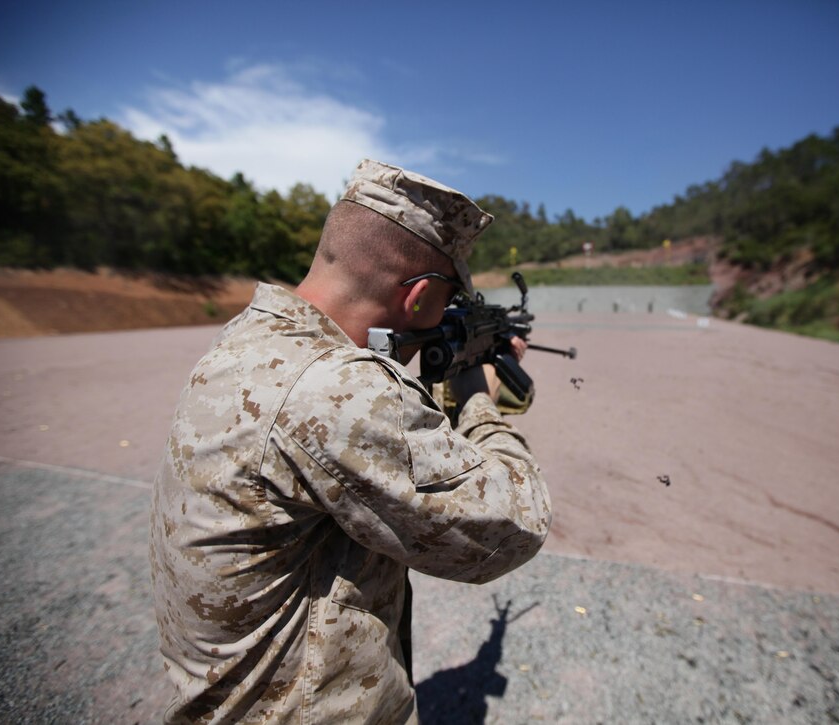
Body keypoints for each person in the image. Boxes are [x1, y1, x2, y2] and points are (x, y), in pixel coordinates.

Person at [149, 159, 552, 723]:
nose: (451, 310)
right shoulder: (336, 387)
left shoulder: (250, 343)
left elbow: (368, 447)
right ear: (418, 299)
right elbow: (514, 524)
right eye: (450, 297)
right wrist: (478, 399)